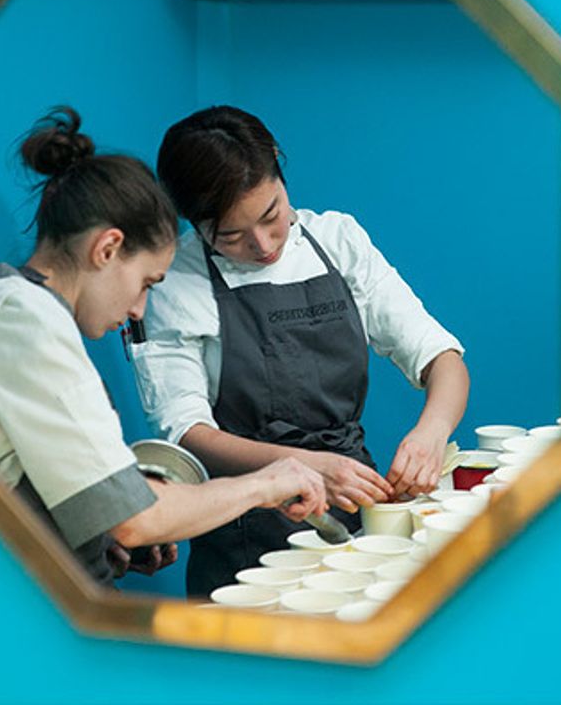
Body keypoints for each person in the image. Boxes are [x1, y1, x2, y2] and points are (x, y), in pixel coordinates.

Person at [0, 106, 328, 589]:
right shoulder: (23, 320)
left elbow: (33, 487)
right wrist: (268, 482)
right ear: (107, 249)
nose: (139, 309)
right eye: (146, 283)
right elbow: (136, 520)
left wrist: (98, 538)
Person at [131, 105, 470, 596]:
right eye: (230, 236)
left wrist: (431, 434)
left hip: (355, 512)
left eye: (272, 215)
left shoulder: (338, 241)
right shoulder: (175, 280)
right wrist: (305, 467)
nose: (263, 244)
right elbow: (186, 431)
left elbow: (442, 359)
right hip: (242, 537)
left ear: (278, 164)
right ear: (193, 223)